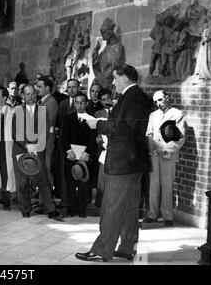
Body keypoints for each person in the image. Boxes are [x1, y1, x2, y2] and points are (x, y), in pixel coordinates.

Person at [77, 64, 151, 262]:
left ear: (125, 77)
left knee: (111, 206)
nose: (113, 82)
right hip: (132, 162)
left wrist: (98, 124)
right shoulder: (137, 97)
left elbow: (125, 128)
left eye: (115, 78)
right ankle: (127, 247)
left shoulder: (133, 97)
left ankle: (102, 250)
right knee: (128, 207)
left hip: (124, 163)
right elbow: (127, 126)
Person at [12, 84, 62, 220]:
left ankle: (50, 209)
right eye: (27, 94)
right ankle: (25, 209)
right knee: (23, 181)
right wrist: (26, 145)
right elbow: (15, 133)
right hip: (21, 149)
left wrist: (35, 145)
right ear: (22, 96)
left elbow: (45, 130)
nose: (31, 96)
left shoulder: (42, 111)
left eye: (33, 93)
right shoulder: (18, 111)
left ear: (36, 94)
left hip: (38, 149)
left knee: (43, 179)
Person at [142, 90, 185, 227]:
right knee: (153, 185)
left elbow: (180, 137)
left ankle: (168, 216)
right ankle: (152, 214)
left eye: (160, 100)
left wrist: (167, 150)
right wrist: (152, 149)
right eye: (156, 102)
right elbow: (149, 133)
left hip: (168, 155)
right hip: (154, 154)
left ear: (167, 97)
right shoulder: (153, 115)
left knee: (167, 185)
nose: (158, 104)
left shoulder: (177, 114)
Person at [60, 92, 97, 217]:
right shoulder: (68, 118)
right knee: (70, 183)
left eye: (82, 102)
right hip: (71, 154)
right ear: (74, 103)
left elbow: (93, 139)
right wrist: (68, 151)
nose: (79, 105)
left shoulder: (91, 119)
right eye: (77, 102)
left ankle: (82, 210)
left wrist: (87, 153)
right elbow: (63, 137)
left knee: (83, 183)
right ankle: (71, 209)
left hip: (85, 155)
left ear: (86, 104)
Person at [35, 76, 58, 186]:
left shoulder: (51, 102)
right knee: (41, 166)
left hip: (46, 140)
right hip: (41, 139)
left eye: (39, 86)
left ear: (47, 88)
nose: (37, 89)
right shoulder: (42, 101)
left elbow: (47, 123)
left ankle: (47, 196)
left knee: (45, 167)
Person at [93, 88, 113, 207]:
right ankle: (100, 202)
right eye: (104, 100)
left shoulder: (117, 111)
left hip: (115, 145)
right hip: (103, 146)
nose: (107, 101)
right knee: (102, 175)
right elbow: (97, 133)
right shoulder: (98, 114)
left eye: (109, 99)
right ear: (100, 101)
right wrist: (102, 143)